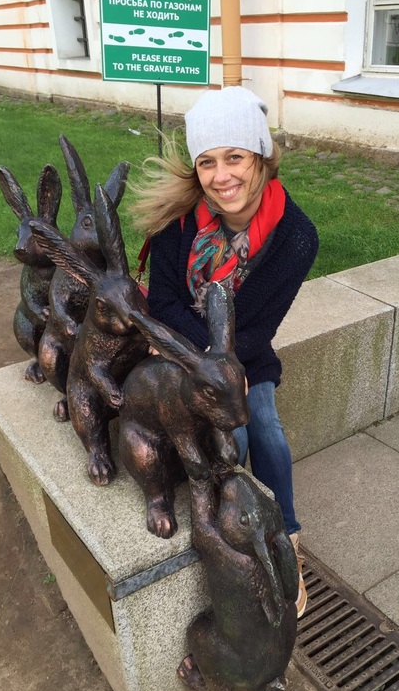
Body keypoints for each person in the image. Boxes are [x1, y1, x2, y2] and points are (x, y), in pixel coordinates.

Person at [132, 86, 318, 617]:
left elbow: (260, 326)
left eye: (234, 157)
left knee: (266, 429)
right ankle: (229, 529)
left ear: (260, 155)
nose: (221, 176)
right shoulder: (178, 223)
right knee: (227, 440)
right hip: (183, 355)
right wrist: (200, 363)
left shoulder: (296, 236)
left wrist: (225, 369)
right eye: (207, 162)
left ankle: (285, 536)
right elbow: (164, 302)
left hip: (246, 354)